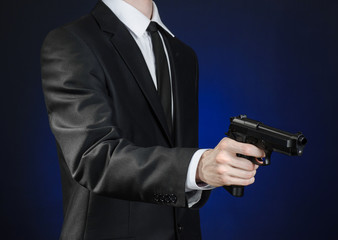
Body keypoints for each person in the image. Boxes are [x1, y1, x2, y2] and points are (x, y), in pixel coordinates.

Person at [41, 0, 264, 239]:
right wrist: (197, 167)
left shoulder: (183, 55)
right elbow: (93, 157)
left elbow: (176, 154)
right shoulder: (71, 42)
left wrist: (206, 173)